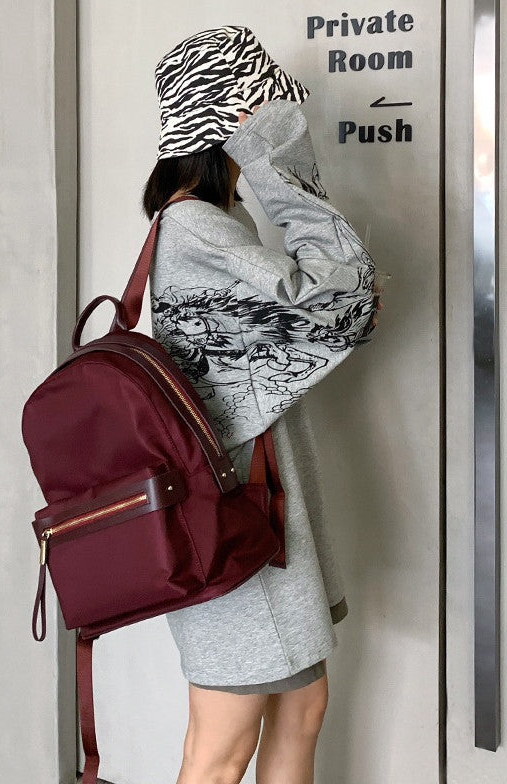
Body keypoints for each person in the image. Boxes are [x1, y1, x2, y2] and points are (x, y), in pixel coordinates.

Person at [142, 25, 383, 784]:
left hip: (263, 507)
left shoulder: (213, 222)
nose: (281, 125)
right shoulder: (194, 226)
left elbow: (329, 309)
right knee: (220, 748)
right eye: (267, 113)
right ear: (229, 124)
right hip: (236, 516)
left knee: (301, 708)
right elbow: (342, 297)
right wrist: (277, 162)